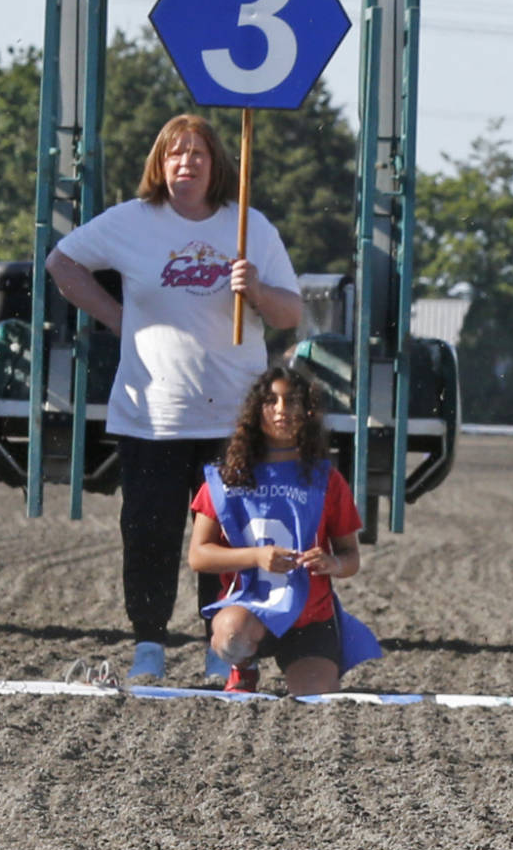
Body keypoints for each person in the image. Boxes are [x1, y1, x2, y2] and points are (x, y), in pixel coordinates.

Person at [47, 113, 303, 685]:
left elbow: (292, 313)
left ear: (217, 166)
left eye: (197, 154)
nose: (185, 162)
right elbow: (61, 262)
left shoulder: (249, 227)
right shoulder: (132, 222)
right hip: (152, 419)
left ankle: (221, 647)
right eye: (174, 154)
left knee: (230, 538)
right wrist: (116, 318)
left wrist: (256, 289)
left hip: (233, 417)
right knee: (148, 533)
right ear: (159, 166)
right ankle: (149, 645)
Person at [186, 368, 380, 696]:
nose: (281, 409)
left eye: (291, 401)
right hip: (250, 609)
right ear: (254, 411)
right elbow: (198, 556)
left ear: (307, 412)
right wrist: (256, 557)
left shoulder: (327, 479)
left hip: (311, 616)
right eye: (270, 400)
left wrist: (333, 563)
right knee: (233, 636)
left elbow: (351, 558)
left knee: (316, 699)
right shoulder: (225, 479)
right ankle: (243, 668)